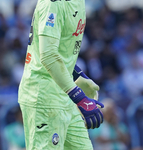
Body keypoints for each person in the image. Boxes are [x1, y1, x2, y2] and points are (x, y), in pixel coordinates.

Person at [18, 0, 104, 150]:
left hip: (65, 96)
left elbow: (61, 51)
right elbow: (48, 55)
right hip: (44, 97)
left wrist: (78, 75)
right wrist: (80, 97)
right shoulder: (53, 3)